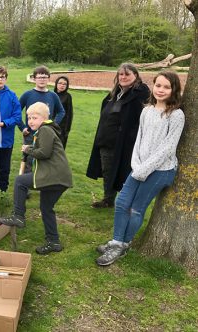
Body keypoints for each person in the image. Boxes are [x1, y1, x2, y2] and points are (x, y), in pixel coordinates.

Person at [96, 71, 184, 266]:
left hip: (161, 170)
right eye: (158, 85)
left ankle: (123, 245)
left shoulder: (176, 115)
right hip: (139, 167)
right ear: (153, 87)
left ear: (174, 90)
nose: (161, 90)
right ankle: (116, 241)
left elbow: (168, 149)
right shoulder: (147, 110)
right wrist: (136, 164)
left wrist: (145, 169)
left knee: (136, 209)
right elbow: (139, 140)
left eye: (166, 87)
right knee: (121, 203)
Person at [0, 102, 72, 255]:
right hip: (59, 178)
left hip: (53, 176)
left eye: (35, 117)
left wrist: (28, 149)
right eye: (29, 117)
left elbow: (44, 153)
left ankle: (18, 216)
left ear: (45, 118)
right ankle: (54, 242)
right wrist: (30, 149)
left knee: (20, 181)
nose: (31, 121)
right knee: (46, 209)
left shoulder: (45, 129)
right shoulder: (44, 130)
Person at [86, 63, 150, 209]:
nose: (123, 77)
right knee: (107, 171)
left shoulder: (140, 93)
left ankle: (126, 203)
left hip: (125, 142)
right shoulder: (115, 93)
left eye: (127, 74)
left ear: (136, 76)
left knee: (124, 172)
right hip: (106, 140)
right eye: (121, 74)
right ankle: (108, 199)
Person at [19, 66, 65, 173]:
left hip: (46, 135)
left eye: (44, 77)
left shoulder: (53, 96)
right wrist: (23, 127)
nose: (42, 80)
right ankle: (25, 185)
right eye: (39, 77)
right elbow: (16, 111)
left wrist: (52, 125)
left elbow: (61, 112)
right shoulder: (27, 95)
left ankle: (42, 182)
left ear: (49, 79)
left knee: (44, 158)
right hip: (30, 134)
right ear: (34, 79)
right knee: (28, 159)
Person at [54, 76, 73, 148]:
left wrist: (67, 129)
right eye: (60, 83)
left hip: (62, 127)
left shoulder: (68, 96)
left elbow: (69, 113)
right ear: (56, 84)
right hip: (50, 124)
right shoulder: (52, 94)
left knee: (59, 147)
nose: (62, 85)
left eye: (64, 84)